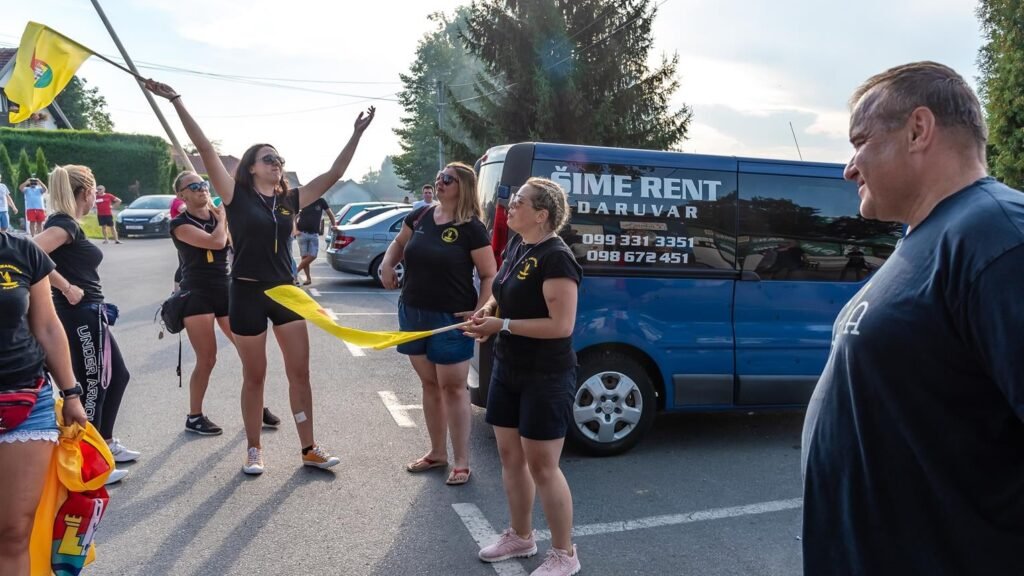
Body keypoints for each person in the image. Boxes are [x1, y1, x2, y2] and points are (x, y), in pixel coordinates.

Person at [801, 61, 1024, 576]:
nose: (849, 169)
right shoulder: (930, 237)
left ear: (918, 130)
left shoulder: (999, 237)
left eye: (860, 141)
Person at [146, 78, 374, 475]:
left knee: (299, 373)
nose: (276, 163)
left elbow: (335, 173)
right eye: (268, 158)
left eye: (279, 159)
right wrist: (177, 101)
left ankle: (309, 448)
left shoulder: (290, 199)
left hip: (286, 292)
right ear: (251, 167)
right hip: (246, 293)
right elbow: (204, 149)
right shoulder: (236, 196)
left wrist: (356, 134)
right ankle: (254, 449)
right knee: (255, 375)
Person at [463, 178, 582, 576]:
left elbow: (561, 325)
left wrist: (502, 325)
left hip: (545, 374)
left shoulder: (557, 258)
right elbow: (501, 291)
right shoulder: (519, 244)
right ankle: (521, 535)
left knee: (543, 466)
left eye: (519, 202)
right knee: (511, 456)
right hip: (509, 366)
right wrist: (487, 311)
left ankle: (565, 554)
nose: (509, 206)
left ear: (541, 214)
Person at [381, 163, 497, 486]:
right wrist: (388, 264)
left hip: (451, 319)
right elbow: (399, 244)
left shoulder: (471, 227)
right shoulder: (420, 216)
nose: (440, 182)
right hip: (413, 312)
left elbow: (489, 274)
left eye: (448, 179)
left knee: (453, 388)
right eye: (439, 177)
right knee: (430, 385)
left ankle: (461, 462)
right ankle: (436, 453)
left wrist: (480, 311)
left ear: (464, 187)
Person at [32, 165, 136, 485]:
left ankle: (104, 442)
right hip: (78, 315)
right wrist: (65, 286)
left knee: (116, 376)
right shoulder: (63, 224)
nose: (96, 199)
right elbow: (29, 251)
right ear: (87, 193)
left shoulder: (68, 224)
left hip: (91, 313)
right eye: (94, 193)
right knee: (92, 385)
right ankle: (88, 461)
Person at [0, 222, 87, 574]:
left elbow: (48, 326)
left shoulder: (21, 250)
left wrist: (71, 393)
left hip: (25, 401)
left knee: (13, 533)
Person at [295, 196, 335, 285]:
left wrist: (334, 225)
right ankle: (308, 278)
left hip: (314, 234)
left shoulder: (321, 201)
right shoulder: (303, 199)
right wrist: (295, 229)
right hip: (301, 233)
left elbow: (330, 213)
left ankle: (294, 273)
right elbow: (294, 216)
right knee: (304, 257)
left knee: (313, 255)